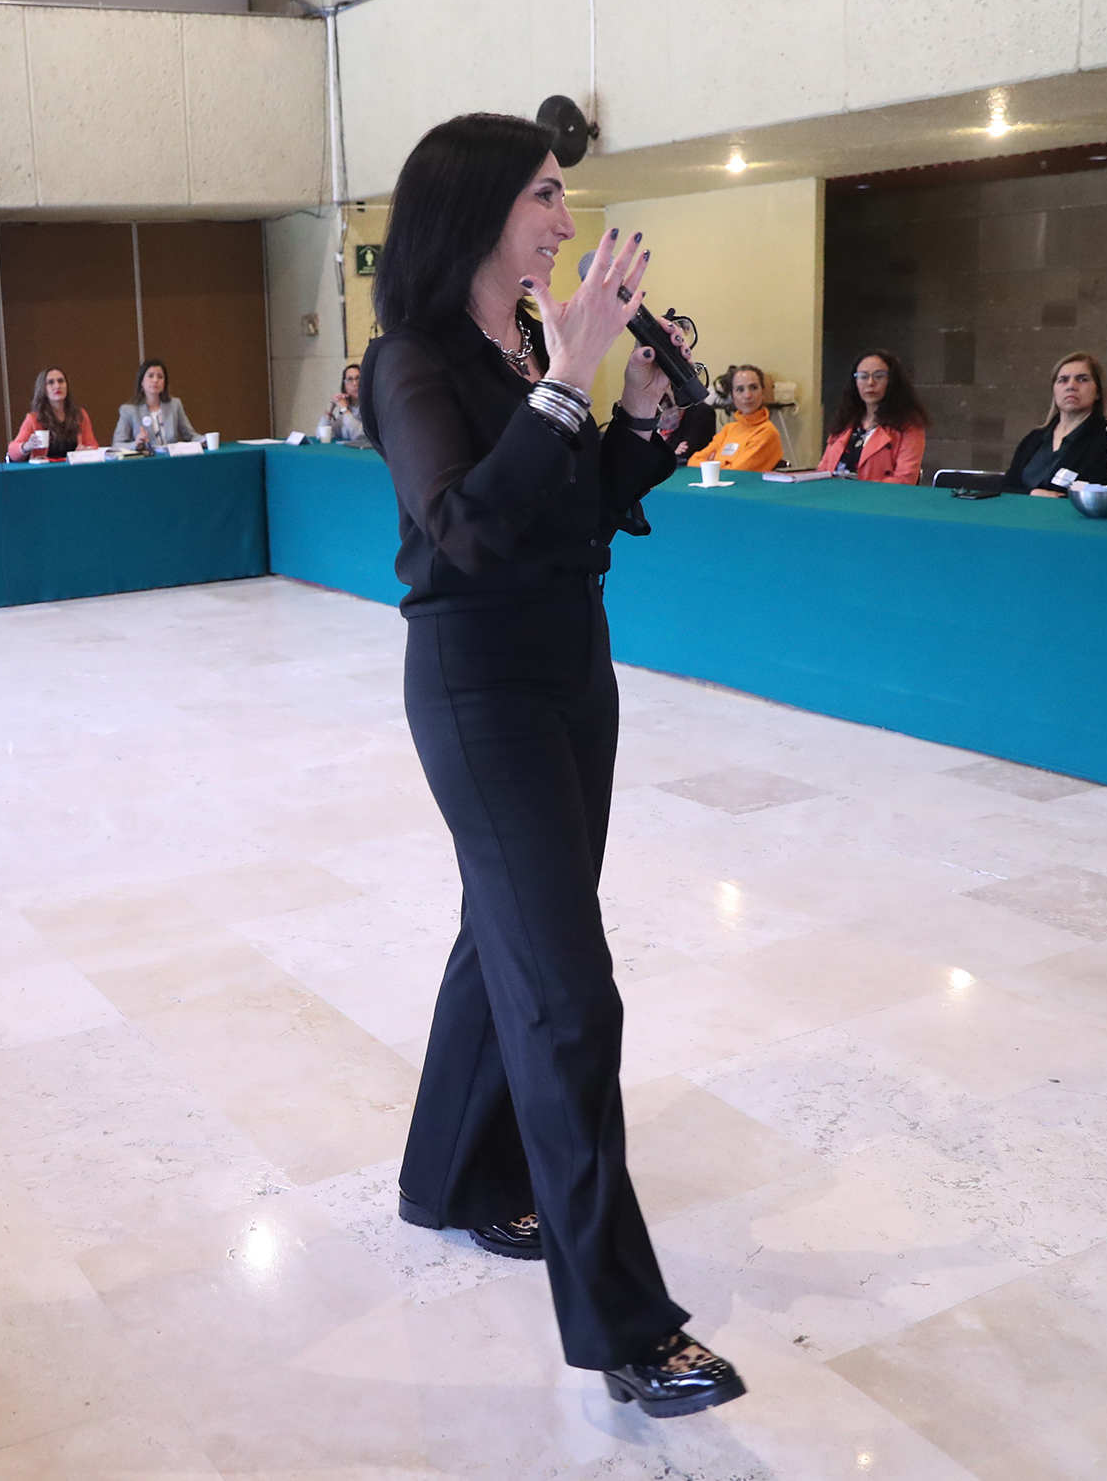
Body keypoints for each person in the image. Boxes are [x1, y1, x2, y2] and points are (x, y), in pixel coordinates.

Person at [361, 111, 745, 1421]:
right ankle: (627, 1327)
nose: (565, 223)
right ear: (474, 208)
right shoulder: (408, 361)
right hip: (477, 686)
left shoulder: (530, 346)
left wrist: (632, 414)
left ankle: (450, 1180)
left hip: (573, 669)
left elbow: (569, 513)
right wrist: (569, 379)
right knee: (568, 997)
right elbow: (461, 527)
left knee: (507, 937)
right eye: (542, 195)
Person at [1000, 353, 1107, 495]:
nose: (1071, 386)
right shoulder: (1033, 439)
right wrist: (1033, 494)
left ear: (1098, 392)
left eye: (1082, 379)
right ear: (1054, 391)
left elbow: (1101, 493)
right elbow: (1006, 488)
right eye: (1063, 380)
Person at [817, 349, 925, 482]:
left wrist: (864, 492)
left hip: (878, 494)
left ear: (892, 381)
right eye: (863, 376)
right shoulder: (845, 421)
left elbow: (905, 478)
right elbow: (823, 469)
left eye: (879, 376)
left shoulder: (908, 425)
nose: (870, 383)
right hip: (833, 492)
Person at [682, 365, 784, 471]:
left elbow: (737, 472)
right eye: (740, 390)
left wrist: (713, 464)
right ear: (732, 396)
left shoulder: (767, 432)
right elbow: (693, 462)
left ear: (763, 392)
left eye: (753, 388)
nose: (747, 395)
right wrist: (724, 465)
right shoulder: (728, 430)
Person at [6, 367, 97, 461]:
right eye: (50, 383)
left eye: (61, 381)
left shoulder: (79, 415)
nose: (57, 386)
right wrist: (27, 446)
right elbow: (12, 451)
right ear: (43, 389)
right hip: (46, 468)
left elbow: (93, 445)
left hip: (73, 467)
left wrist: (87, 450)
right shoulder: (34, 419)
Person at [113, 359, 197, 451]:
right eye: (150, 376)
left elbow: (190, 436)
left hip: (171, 457)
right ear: (141, 382)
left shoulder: (174, 405)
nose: (155, 380)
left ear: (164, 383)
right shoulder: (129, 410)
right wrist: (136, 444)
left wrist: (205, 440)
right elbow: (117, 445)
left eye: (160, 377)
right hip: (146, 458)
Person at [317, 362, 367, 444]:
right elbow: (321, 436)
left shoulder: (373, 406)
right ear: (344, 385)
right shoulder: (346, 406)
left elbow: (358, 436)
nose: (355, 383)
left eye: (358, 378)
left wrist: (345, 410)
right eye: (350, 379)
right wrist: (329, 411)